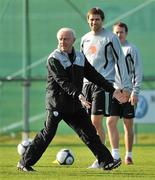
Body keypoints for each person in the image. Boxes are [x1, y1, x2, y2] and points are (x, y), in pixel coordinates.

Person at [17, 27, 125, 172]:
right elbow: (63, 82)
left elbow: (94, 76)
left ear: (73, 40)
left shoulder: (80, 57)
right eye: (60, 39)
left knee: (89, 132)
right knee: (48, 134)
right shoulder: (54, 59)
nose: (62, 41)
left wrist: (113, 90)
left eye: (66, 38)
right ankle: (24, 163)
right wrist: (79, 95)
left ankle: (106, 161)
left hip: (74, 105)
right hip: (57, 104)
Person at [80, 8, 131, 168]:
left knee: (96, 122)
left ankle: (102, 158)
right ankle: (102, 157)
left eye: (97, 19)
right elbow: (81, 64)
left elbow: (121, 62)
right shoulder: (84, 39)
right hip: (86, 86)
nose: (94, 22)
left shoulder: (110, 38)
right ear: (88, 20)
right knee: (90, 124)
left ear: (102, 20)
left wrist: (125, 86)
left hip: (103, 84)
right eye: (91, 19)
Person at [106, 22, 143, 165]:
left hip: (128, 92)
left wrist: (135, 91)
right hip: (115, 92)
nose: (119, 35)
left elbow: (138, 71)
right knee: (110, 122)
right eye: (116, 32)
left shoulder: (131, 49)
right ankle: (115, 155)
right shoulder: (110, 50)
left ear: (126, 33)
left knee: (128, 125)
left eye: (121, 32)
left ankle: (129, 155)